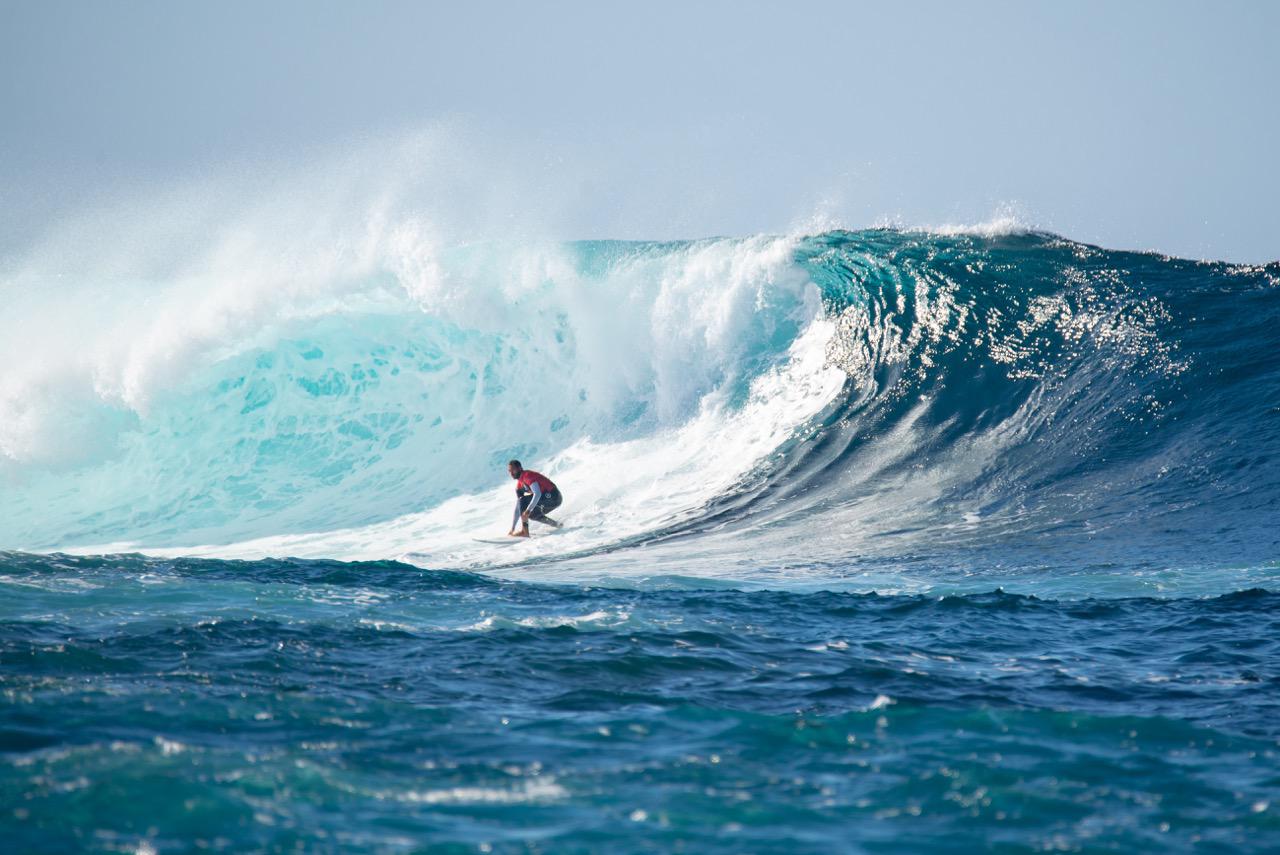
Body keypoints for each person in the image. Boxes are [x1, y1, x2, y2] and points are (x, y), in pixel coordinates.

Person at [507, 459, 563, 537]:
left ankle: (525, 531)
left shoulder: (527, 476)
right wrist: (512, 528)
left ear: (519, 468)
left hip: (554, 496)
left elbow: (537, 493)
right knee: (533, 515)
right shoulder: (519, 485)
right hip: (547, 500)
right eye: (509, 471)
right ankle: (557, 524)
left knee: (525, 506)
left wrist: (528, 510)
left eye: (513, 470)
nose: (511, 473)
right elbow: (519, 507)